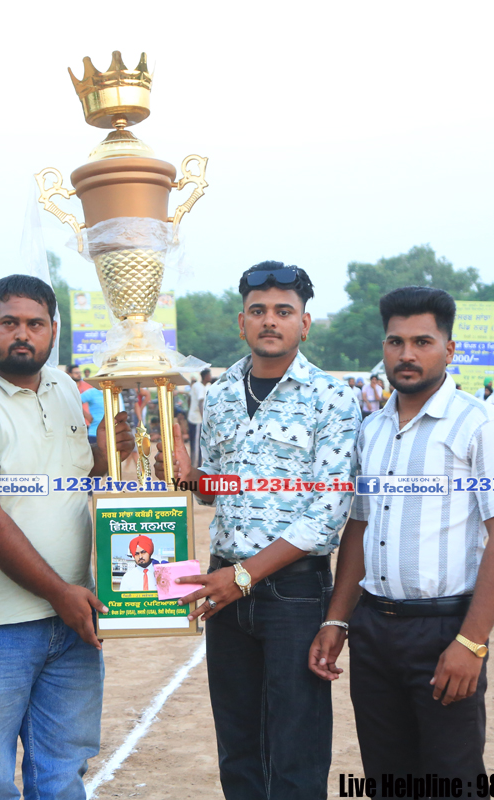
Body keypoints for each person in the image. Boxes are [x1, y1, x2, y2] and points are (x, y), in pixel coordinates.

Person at [155, 261, 361, 800]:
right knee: (238, 746)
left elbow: (328, 512)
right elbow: (216, 489)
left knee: (296, 748)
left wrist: (244, 576)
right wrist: (188, 475)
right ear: (242, 321)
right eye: (259, 310)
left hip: (293, 590)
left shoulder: (332, 397)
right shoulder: (221, 392)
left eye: (283, 311)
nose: (270, 320)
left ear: (304, 324)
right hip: (223, 587)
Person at [0, 275, 133, 800]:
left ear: (53, 330)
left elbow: (74, 479)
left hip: (72, 619)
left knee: (62, 773)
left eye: (35, 324)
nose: (23, 334)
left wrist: (108, 453)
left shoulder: (63, 388)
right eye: (10, 322)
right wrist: (61, 593)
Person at [309, 285, 494, 786]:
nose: (407, 354)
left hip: (443, 630)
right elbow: (360, 528)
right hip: (373, 630)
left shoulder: (483, 425)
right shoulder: (372, 430)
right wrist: (338, 620)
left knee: (452, 778)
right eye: (396, 342)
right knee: (387, 778)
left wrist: (471, 642)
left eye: (422, 342)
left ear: (449, 350)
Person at [186, 369, 212, 465]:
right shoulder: (199, 387)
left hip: (193, 417)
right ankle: (196, 465)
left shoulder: (203, 386)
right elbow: (201, 403)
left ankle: (195, 463)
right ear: (205, 376)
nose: (210, 377)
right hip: (197, 419)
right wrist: (204, 418)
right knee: (197, 444)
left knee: (195, 443)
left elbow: (189, 399)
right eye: (209, 375)